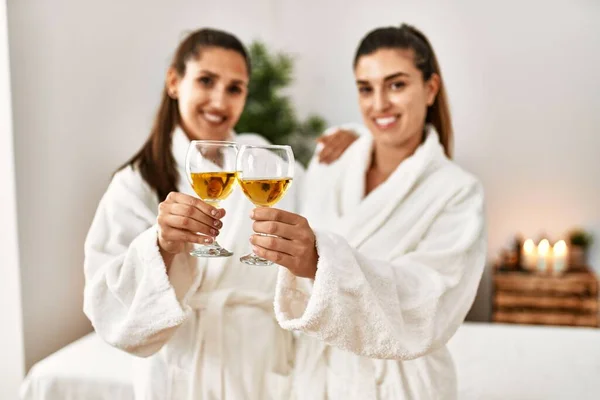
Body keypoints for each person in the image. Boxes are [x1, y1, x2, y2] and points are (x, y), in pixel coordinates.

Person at [249, 24, 487, 399]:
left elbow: (431, 301)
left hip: (400, 383)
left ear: (430, 88)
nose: (379, 104)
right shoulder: (333, 162)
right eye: (366, 88)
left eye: (396, 85)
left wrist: (321, 262)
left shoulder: (457, 191)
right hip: (318, 378)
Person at [83, 28, 303, 400]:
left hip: (258, 361)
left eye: (235, 88)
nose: (220, 100)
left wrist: (346, 139)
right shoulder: (135, 182)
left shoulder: (262, 158)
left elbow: (320, 224)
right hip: (178, 369)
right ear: (174, 81)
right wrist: (162, 246)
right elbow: (107, 302)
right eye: (206, 80)